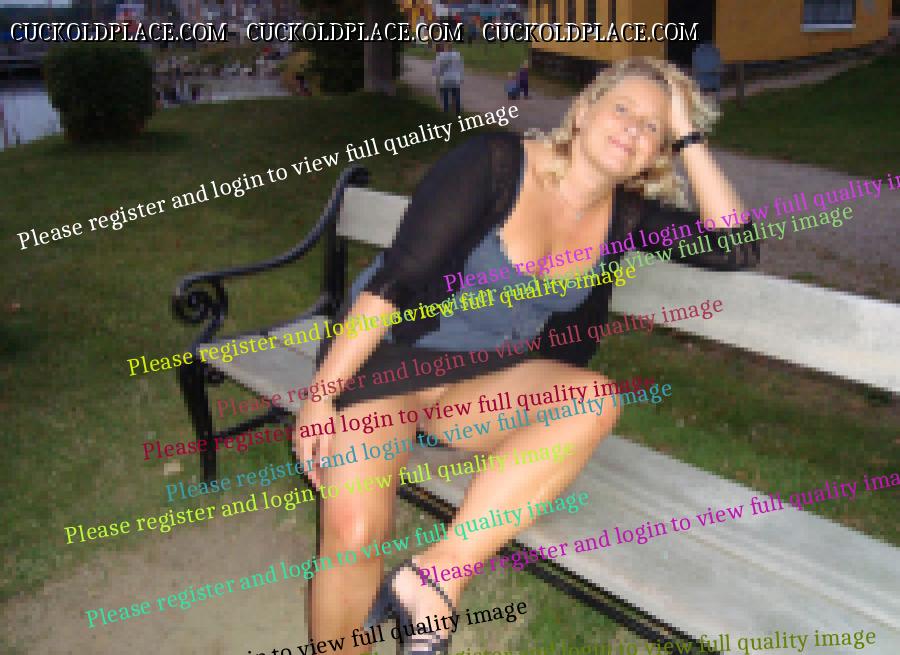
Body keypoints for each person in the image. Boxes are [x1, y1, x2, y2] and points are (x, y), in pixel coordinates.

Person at [297, 56, 759, 655]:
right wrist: (321, 396)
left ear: (656, 154)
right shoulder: (494, 162)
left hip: (483, 385)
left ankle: (437, 576)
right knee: (354, 531)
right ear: (584, 110)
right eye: (622, 108)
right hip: (390, 360)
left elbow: (736, 247)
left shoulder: (626, 215)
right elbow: (395, 283)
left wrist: (689, 133)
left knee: (592, 400)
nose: (633, 128)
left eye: (653, 127)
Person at [433, 43, 463, 115]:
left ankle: (446, 111)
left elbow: (438, 69)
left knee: (445, 96)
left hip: (445, 79)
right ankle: (457, 111)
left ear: (445, 47)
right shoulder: (457, 55)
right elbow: (460, 67)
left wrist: (437, 78)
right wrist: (461, 77)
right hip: (455, 78)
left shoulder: (441, 56)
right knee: (456, 96)